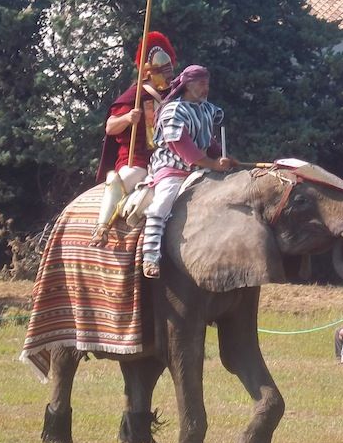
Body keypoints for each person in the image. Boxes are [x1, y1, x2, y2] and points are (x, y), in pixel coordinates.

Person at [142, 65, 237, 278]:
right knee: (161, 206)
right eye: (202, 83)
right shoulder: (173, 111)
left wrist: (225, 156)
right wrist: (212, 164)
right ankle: (150, 256)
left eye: (207, 84)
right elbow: (181, 145)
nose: (206, 88)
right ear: (188, 84)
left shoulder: (205, 109)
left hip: (201, 169)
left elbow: (207, 140)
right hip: (173, 169)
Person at [91, 32, 177, 245]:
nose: (167, 75)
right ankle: (102, 228)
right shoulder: (134, 96)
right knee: (123, 179)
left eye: (168, 69)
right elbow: (110, 127)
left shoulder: (175, 95)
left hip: (169, 160)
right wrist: (128, 118)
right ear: (148, 73)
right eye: (161, 70)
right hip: (137, 160)